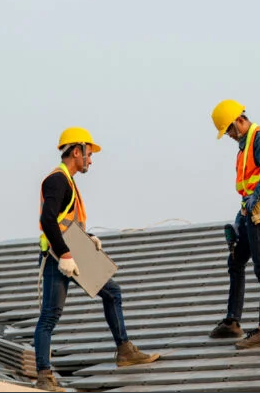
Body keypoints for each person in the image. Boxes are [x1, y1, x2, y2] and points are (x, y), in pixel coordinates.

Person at [34, 127, 159, 391]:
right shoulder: (57, 180)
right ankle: (44, 376)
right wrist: (66, 254)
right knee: (49, 316)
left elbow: (62, 220)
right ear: (76, 152)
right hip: (59, 256)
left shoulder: (67, 180)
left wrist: (86, 237)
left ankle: (125, 350)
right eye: (89, 154)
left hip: (71, 250)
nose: (91, 160)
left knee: (112, 292)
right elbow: (47, 220)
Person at [209, 99, 260, 350]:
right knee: (236, 260)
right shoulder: (244, 147)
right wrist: (239, 218)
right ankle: (233, 321)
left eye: (230, 130)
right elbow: (246, 187)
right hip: (249, 209)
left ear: (239, 121)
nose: (230, 136)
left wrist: (259, 194)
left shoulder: (259, 138)